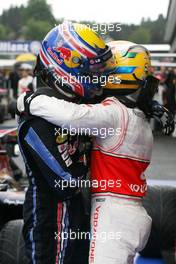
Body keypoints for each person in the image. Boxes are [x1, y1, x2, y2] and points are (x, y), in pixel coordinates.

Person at [17, 21, 115, 264]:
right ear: (65, 66)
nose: (98, 77)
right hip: (49, 224)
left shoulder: (76, 106)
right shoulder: (36, 120)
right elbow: (65, 182)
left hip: (77, 214)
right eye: (92, 70)